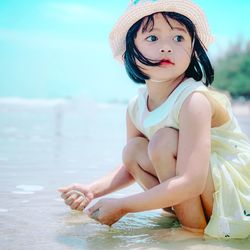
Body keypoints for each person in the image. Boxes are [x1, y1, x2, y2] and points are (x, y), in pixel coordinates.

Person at [58, 0, 250, 238]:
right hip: (193, 193)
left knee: (164, 140)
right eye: (152, 38)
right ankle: (185, 219)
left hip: (233, 198)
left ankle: (193, 231)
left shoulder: (194, 100)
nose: (167, 47)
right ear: (130, 51)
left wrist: (124, 205)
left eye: (179, 38)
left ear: (193, 49)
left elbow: (192, 182)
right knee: (133, 150)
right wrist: (92, 190)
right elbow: (133, 166)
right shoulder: (136, 107)